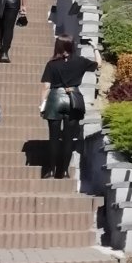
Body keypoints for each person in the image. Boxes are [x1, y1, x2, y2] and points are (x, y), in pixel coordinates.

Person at [39, 35, 96, 178]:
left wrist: (43, 104)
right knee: (68, 138)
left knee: (53, 138)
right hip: (73, 100)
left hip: (55, 99)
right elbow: (98, 64)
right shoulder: (80, 61)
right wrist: (95, 48)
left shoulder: (52, 64)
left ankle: (50, 170)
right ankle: (64, 170)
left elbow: (46, 86)